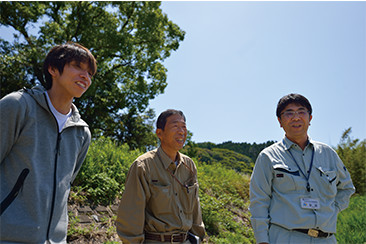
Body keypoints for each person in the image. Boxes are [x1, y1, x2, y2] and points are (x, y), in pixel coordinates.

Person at [0, 42, 97, 243]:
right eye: (77, 66)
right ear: (53, 69)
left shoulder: (82, 132)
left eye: (90, 73)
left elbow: (66, 184)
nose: (85, 77)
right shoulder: (18, 106)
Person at [249, 93, 355, 244]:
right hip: (285, 237)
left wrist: (332, 209)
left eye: (301, 111)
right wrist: (262, 240)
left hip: (326, 239)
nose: (296, 117)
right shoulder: (268, 157)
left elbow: (347, 188)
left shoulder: (328, 154)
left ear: (310, 118)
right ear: (279, 121)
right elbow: (259, 201)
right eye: (289, 113)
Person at [116, 109, 206, 243]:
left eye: (183, 127)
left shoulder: (189, 166)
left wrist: (199, 238)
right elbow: (131, 215)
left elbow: (195, 209)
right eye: (175, 126)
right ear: (159, 133)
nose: (181, 131)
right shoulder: (143, 166)